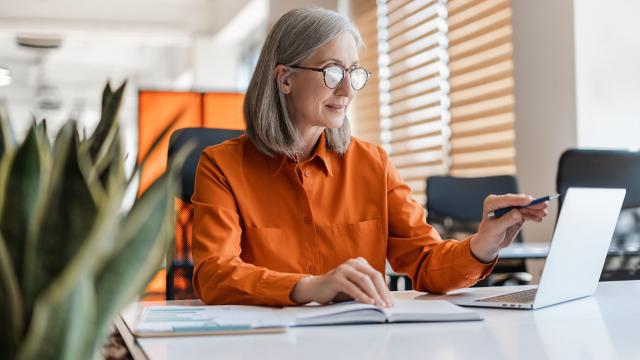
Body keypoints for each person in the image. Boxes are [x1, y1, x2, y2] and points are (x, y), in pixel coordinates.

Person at [191, 7, 548, 308]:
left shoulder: (372, 164)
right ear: (285, 79)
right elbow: (213, 273)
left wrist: (483, 244)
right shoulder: (221, 166)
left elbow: (425, 262)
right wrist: (307, 286)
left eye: (353, 72)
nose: (347, 90)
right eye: (332, 71)